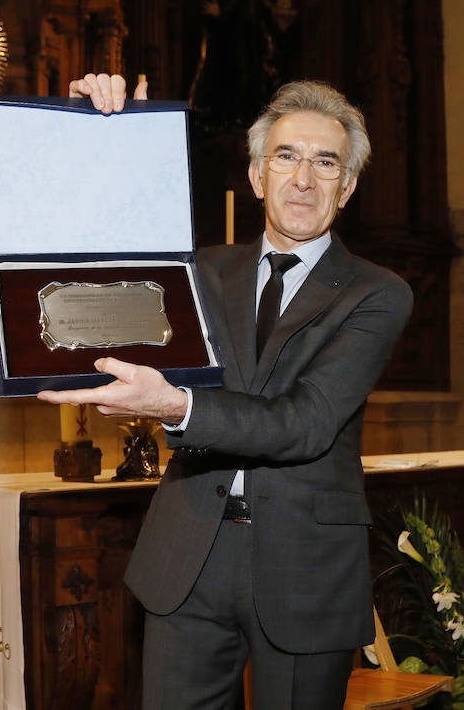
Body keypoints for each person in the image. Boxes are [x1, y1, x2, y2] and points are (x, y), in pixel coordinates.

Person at [40, 74, 413, 709]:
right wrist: (104, 133)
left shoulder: (376, 294)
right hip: (189, 554)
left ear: (346, 188)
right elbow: (102, 261)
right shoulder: (198, 273)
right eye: (286, 156)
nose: (303, 178)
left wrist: (178, 407)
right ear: (256, 174)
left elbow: (306, 422)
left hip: (306, 566)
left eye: (326, 163)